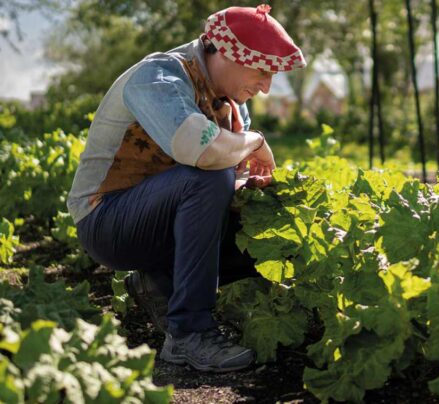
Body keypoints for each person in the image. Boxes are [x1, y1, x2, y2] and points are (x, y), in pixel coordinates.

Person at [66, 4, 305, 373]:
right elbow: (201, 153)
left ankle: (158, 281)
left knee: (269, 219)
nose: (265, 86)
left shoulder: (232, 105)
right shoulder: (158, 77)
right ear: (225, 53)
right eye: (261, 71)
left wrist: (247, 185)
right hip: (106, 220)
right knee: (209, 173)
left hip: (158, 219)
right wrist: (255, 143)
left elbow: (219, 174)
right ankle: (188, 334)